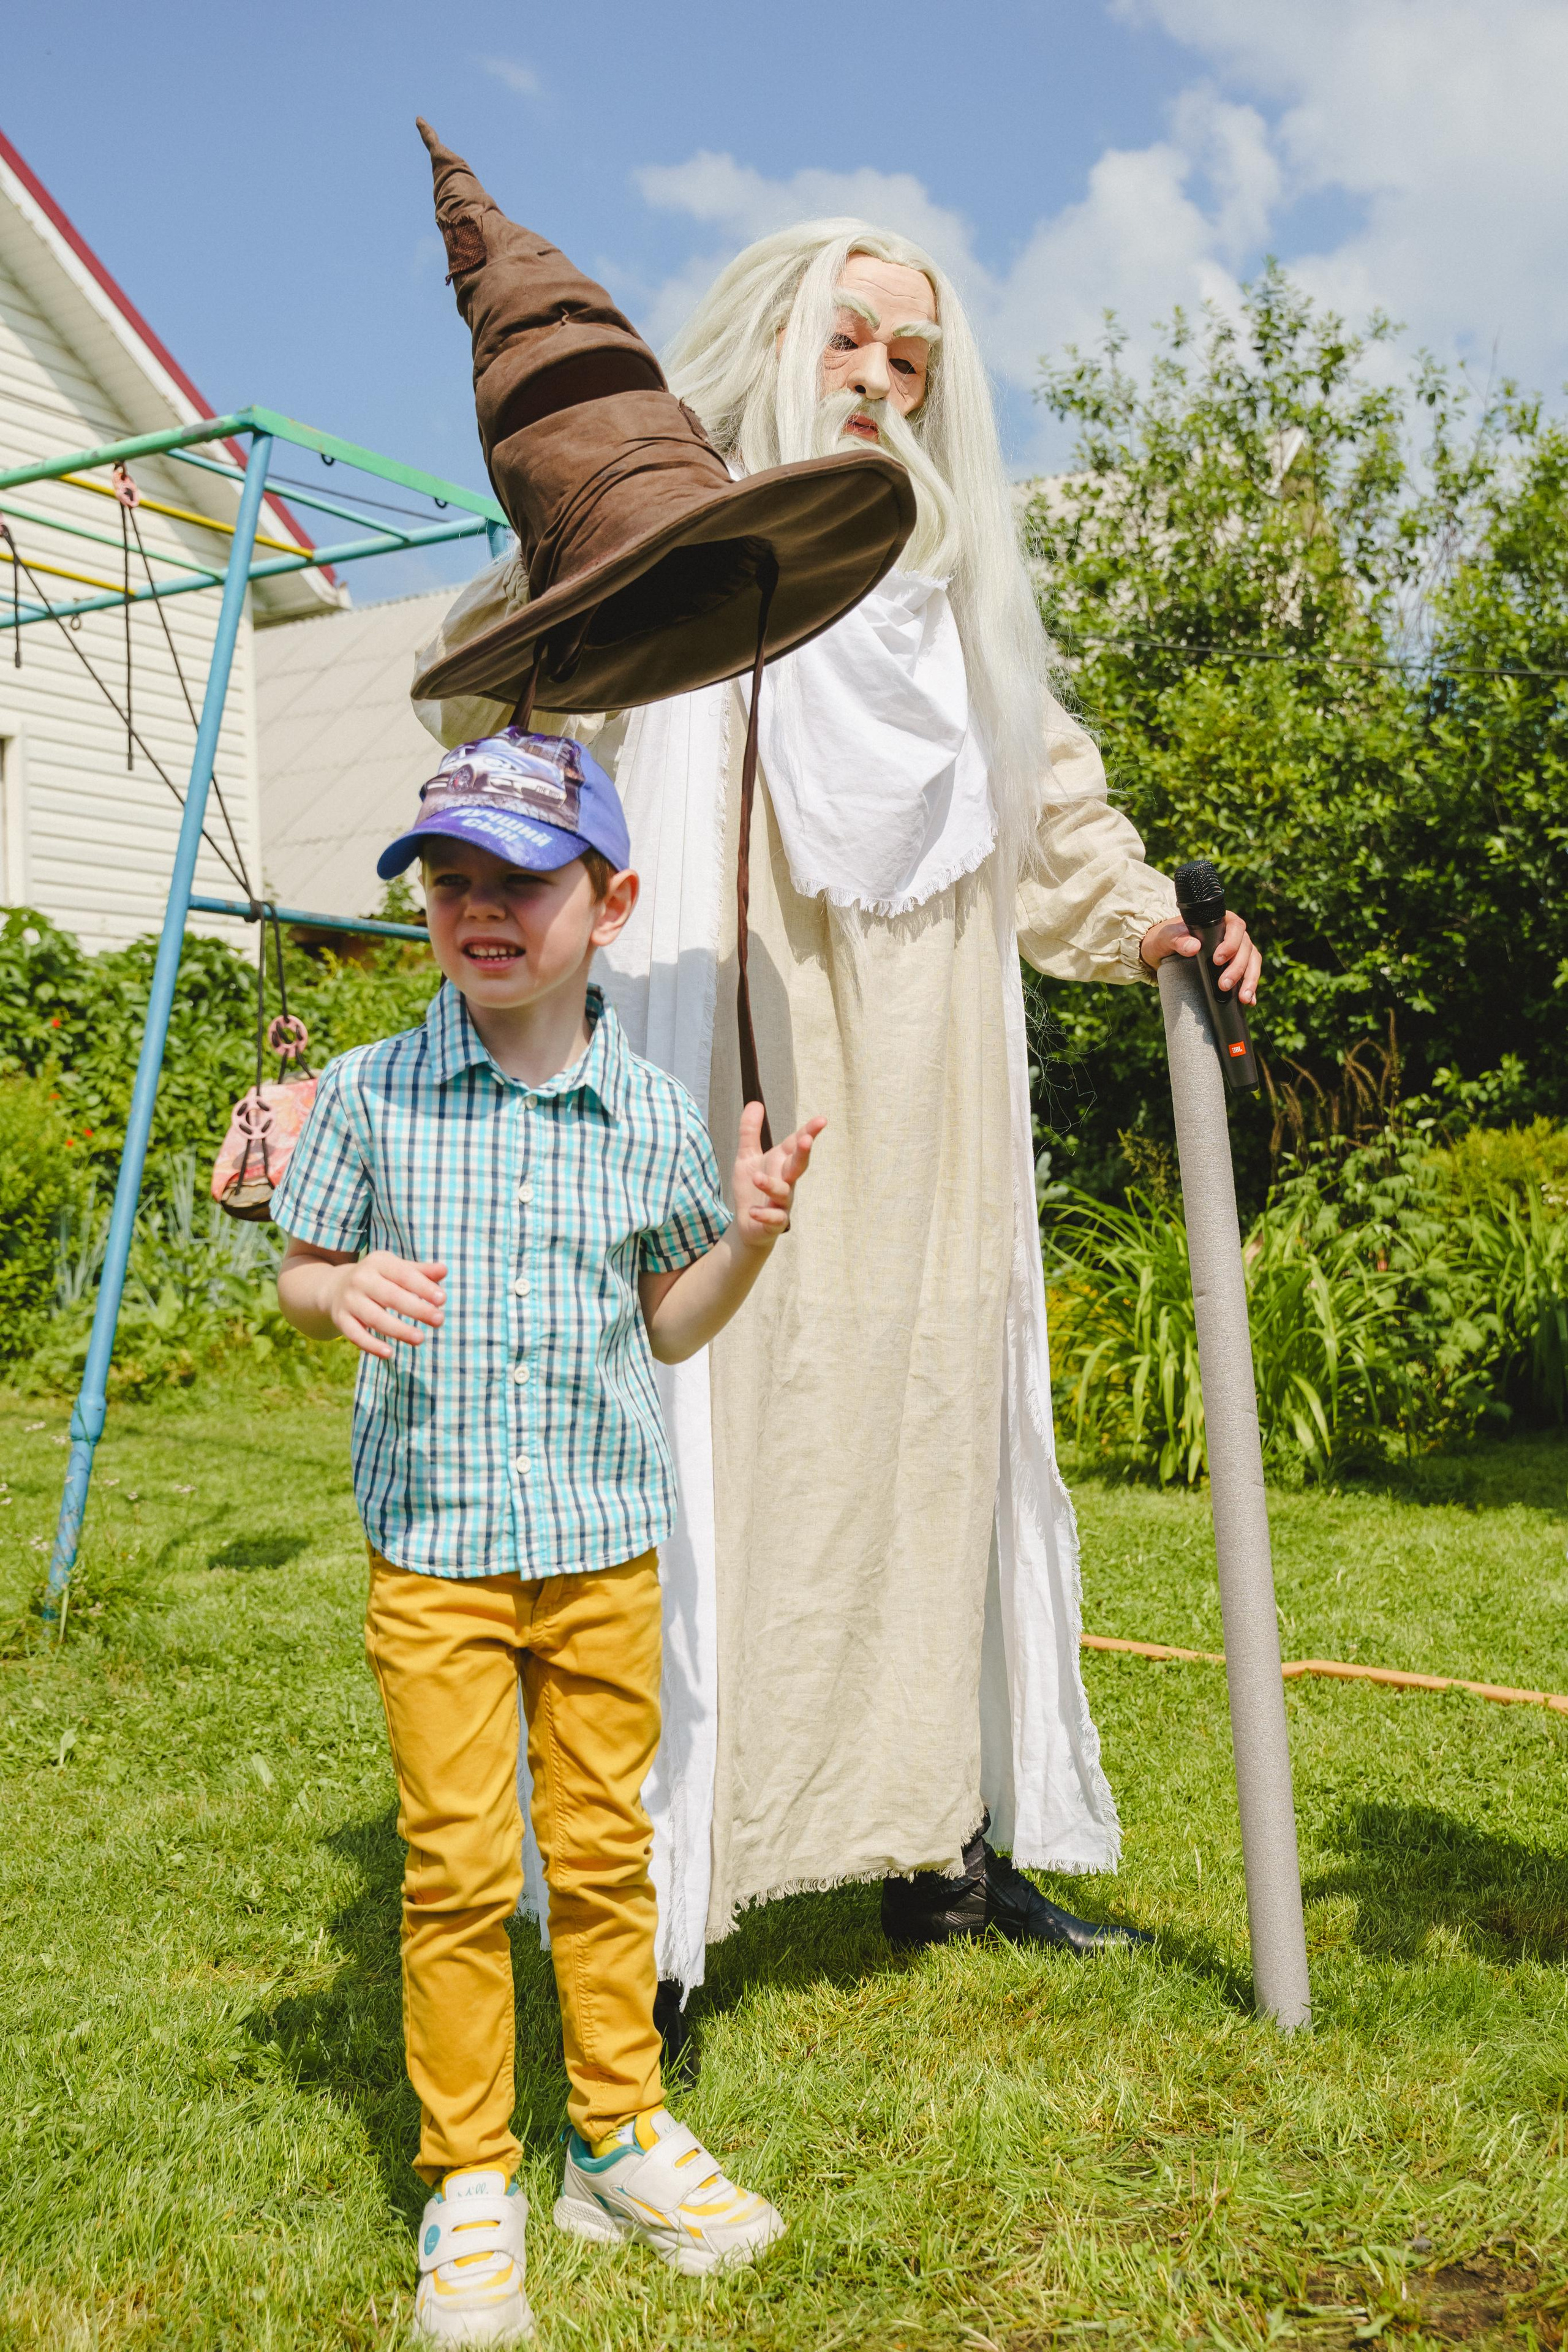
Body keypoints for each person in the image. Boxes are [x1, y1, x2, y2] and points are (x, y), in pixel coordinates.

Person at [412, 219, 1262, 2006]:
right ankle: (670, 1881)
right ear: (784, 344)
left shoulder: (958, 617)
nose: (880, 381)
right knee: (719, 1443)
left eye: (916, 365)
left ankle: (944, 1849)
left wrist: (1158, 918)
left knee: (937, 1430)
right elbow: (513, 707)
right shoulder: (680, 560)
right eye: (854, 341)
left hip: (935, 1110)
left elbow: (1054, 837)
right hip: (730, 1066)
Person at [271, 731, 820, 2345]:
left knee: (596, 1849)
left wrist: (751, 1244)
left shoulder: (652, 1117)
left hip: (601, 1549)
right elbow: (305, 1266)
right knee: (452, 1866)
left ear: (613, 901)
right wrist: (335, 1292)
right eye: (449, 880)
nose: (479, 908)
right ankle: (467, 2179)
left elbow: (671, 1326)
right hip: (434, 1548)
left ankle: (617, 2138)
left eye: (519, 878)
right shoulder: (370, 1092)